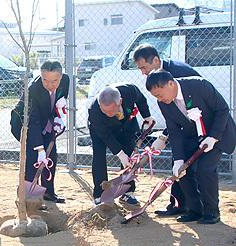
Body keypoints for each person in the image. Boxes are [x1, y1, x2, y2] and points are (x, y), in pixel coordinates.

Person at [146, 70, 235, 224]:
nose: (159, 99)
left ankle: (211, 212)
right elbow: (173, 130)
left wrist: (213, 137)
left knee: (204, 169)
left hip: (217, 132)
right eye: (155, 97)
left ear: (171, 84)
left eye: (160, 94)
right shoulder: (164, 103)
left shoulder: (199, 85)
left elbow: (222, 110)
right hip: (193, 136)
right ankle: (194, 210)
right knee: (182, 172)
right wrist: (179, 160)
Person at [133, 43, 201, 217]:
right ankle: (177, 204)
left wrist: (165, 136)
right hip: (179, 125)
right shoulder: (158, 77)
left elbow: (187, 107)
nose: (143, 72)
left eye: (144, 67)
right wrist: (164, 136)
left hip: (196, 124)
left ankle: (194, 208)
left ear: (155, 60)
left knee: (186, 167)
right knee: (176, 162)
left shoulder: (177, 73)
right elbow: (173, 113)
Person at [13, 60, 69, 203]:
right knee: (33, 159)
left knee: (51, 157)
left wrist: (59, 118)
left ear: (61, 77)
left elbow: (60, 102)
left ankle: (48, 192)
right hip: (24, 124)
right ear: (41, 76)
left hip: (48, 121)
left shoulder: (65, 81)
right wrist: (39, 148)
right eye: (46, 80)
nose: (50, 85)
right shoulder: (33, 90)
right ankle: (29, 197)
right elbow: (34, 121)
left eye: (54, 81)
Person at [89, 85, 155, 205]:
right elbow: (106, 136)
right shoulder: (94, 110)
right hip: (101, 131)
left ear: (120, 101)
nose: (108, 114)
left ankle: (127, 192)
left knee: (129, 155)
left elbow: (141, 99)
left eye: (111, 111)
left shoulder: (130, 90)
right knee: (99, 156)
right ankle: (100, 194)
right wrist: (120, 154)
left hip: (126, 126)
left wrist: (147, 116)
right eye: (105, 111)